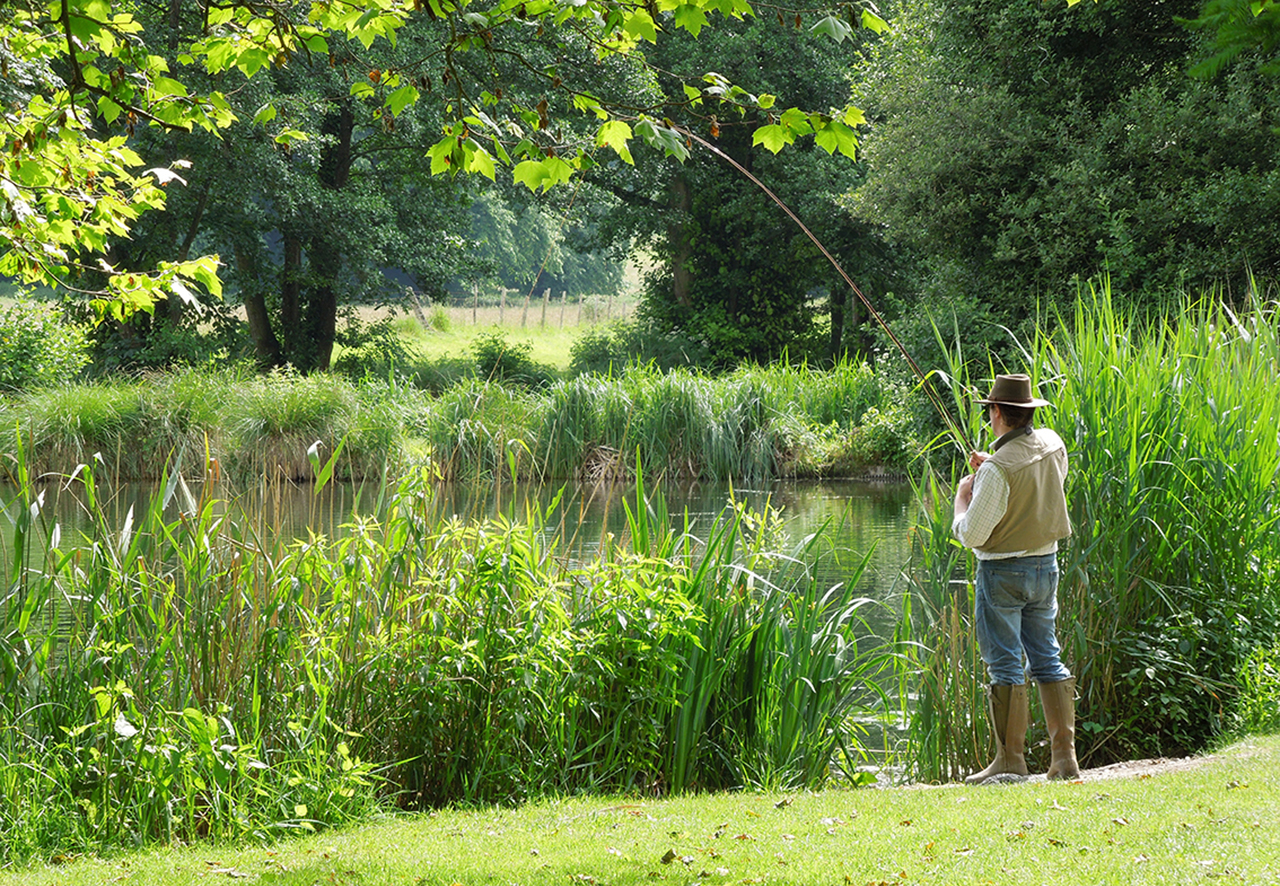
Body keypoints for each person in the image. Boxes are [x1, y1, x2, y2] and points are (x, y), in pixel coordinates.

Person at [952, 373, 1080, 783]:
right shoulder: (1053, 443)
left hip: (1002, 573)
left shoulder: (997, 469)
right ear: (1027, 412)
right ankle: (1064, 760)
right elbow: (1035, 482)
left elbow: (972, 534)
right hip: (1047, 566)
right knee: (1047, 655)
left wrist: (963, 499)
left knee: (1005, 662)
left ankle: (1010, 760)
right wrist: (990, 468)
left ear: (996, 412)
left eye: (989, 410)